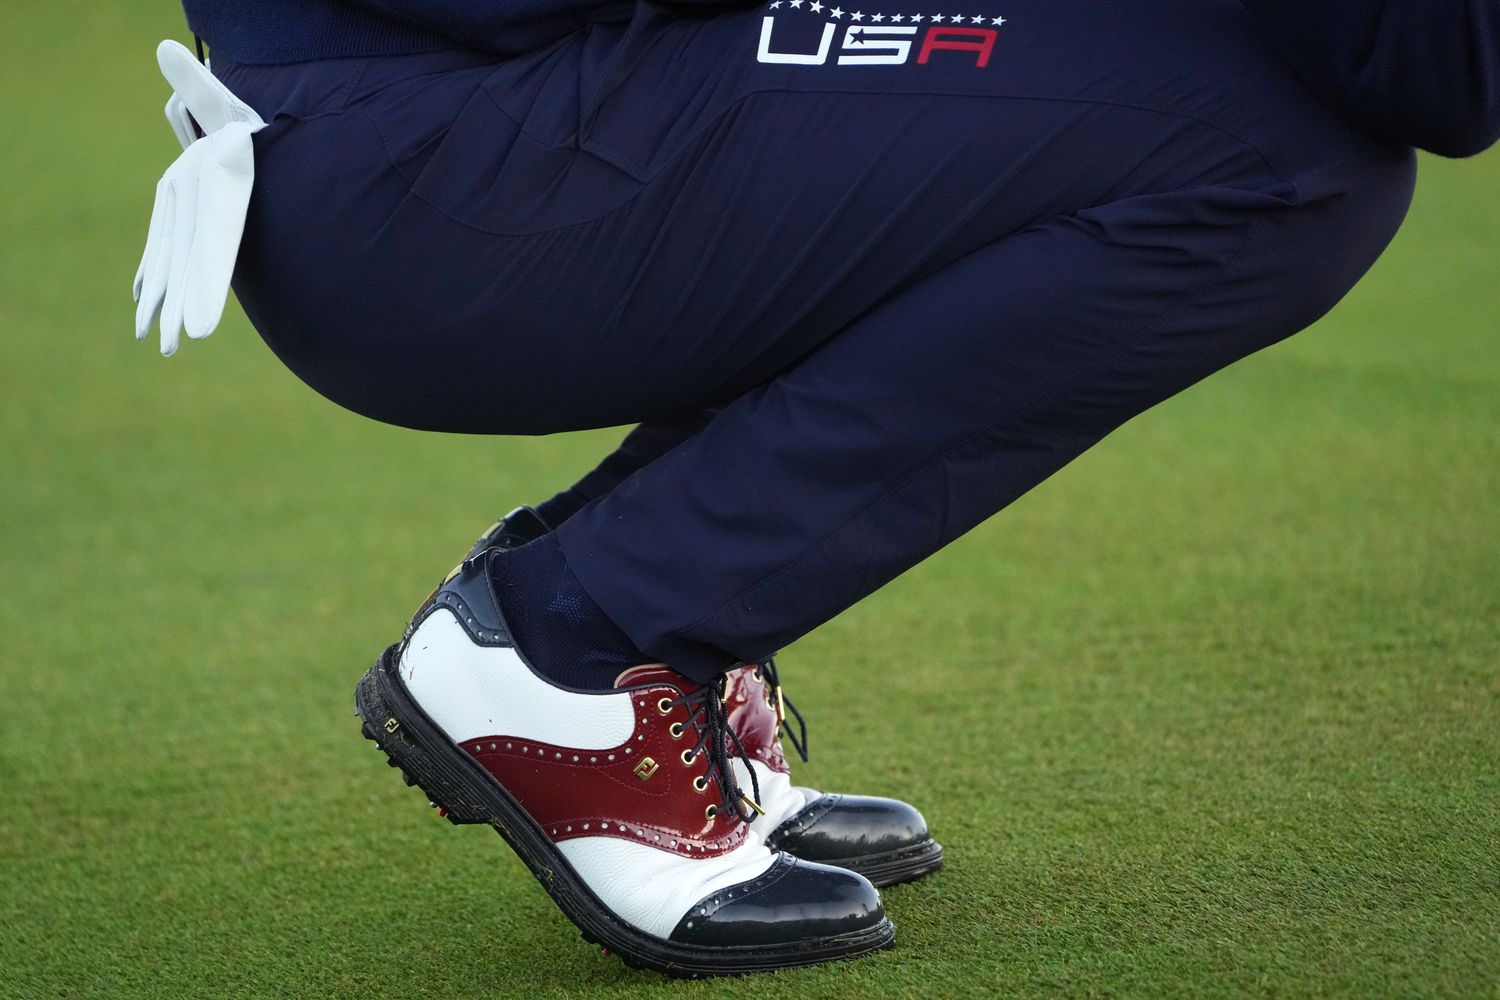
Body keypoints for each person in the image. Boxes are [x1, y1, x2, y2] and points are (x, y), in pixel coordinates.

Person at [133, 0, 1497, 977]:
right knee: (1276, 164)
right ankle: (577, 645)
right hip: (430, 144)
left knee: (1237, 110)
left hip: (440, 104)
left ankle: (622, 612)